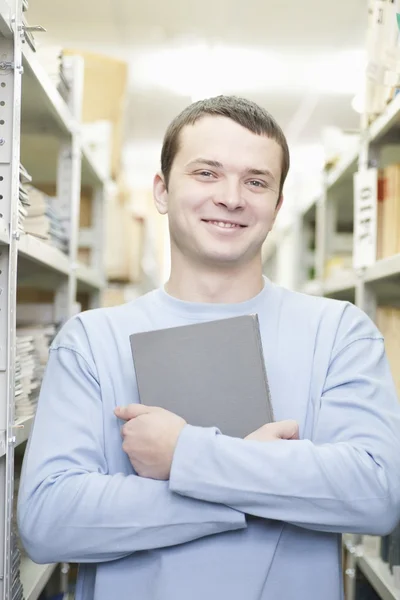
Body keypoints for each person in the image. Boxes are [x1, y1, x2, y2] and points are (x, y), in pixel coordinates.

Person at [18, 95, 400, 600]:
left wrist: (187, 455)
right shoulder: (92, 340)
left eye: (256, 181)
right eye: (206, 173)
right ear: (161, 190)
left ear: (277, 206)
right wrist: (256, 485)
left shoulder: (339, 333)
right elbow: (49, 520)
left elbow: (375, 494)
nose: (232, 197)